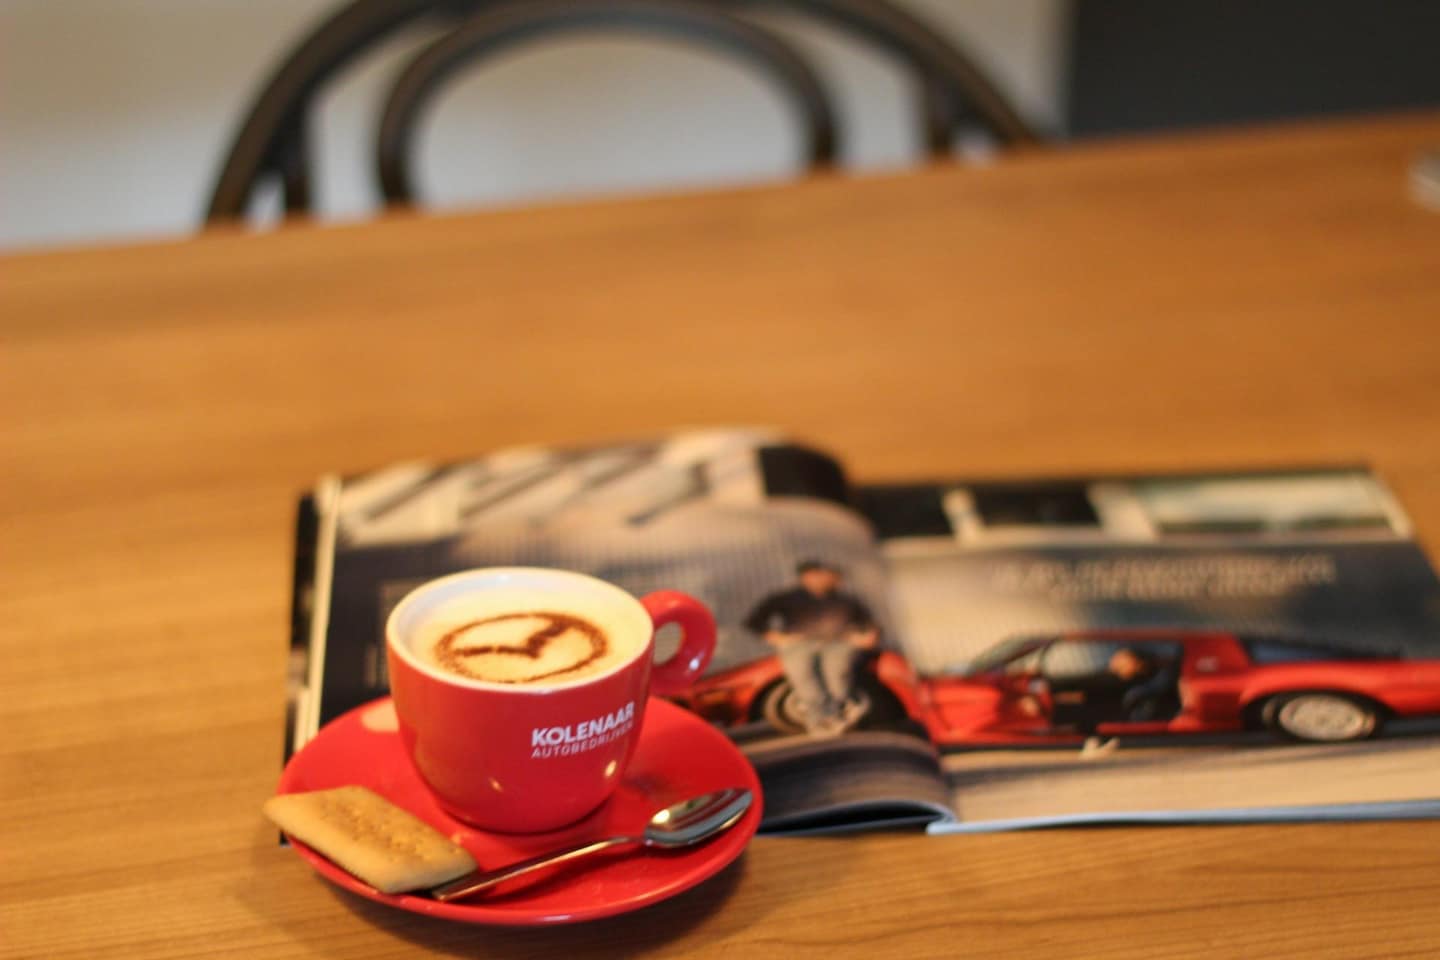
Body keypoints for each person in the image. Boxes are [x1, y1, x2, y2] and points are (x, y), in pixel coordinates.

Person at [743, 560, 879, 736]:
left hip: (838, 643)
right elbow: (754, 621)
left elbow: (869, 624)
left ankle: (842, 712)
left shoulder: (845, 600)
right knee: (805, 681)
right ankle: (820, 722)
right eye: (818, 575)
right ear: (807, 576)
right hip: (799, 645)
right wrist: (776, 637)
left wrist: (867, 636)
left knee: (837, 675)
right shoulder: (786, 598)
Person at [1078, 646, 1174, 759]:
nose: (1115, 664)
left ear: (1140, 665)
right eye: (1116, 661)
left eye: (1122, 662)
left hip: (1135, 722)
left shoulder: (1147, 686)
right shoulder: (1107, 683)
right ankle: (1095, 742)